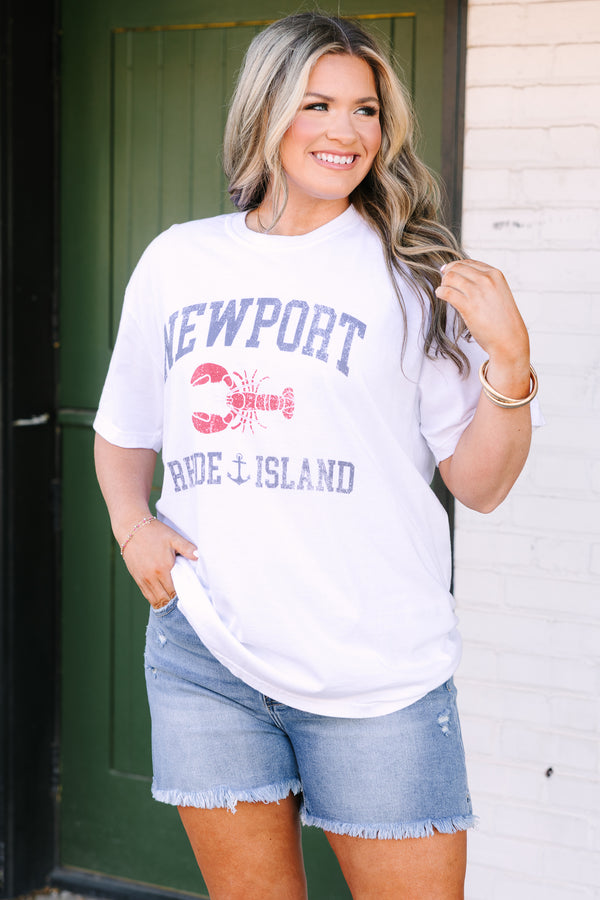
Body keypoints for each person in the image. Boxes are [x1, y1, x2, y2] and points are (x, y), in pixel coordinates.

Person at [94, 12, 540, 899]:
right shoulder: (179, 261)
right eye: (318, 103)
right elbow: (122, 426)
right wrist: (132, 525)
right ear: (264, 112)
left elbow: (480, 487)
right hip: (207, 655)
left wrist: (513, 364)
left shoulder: (415, 272)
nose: (346, 131)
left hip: (377, 671)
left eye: (366, 110)